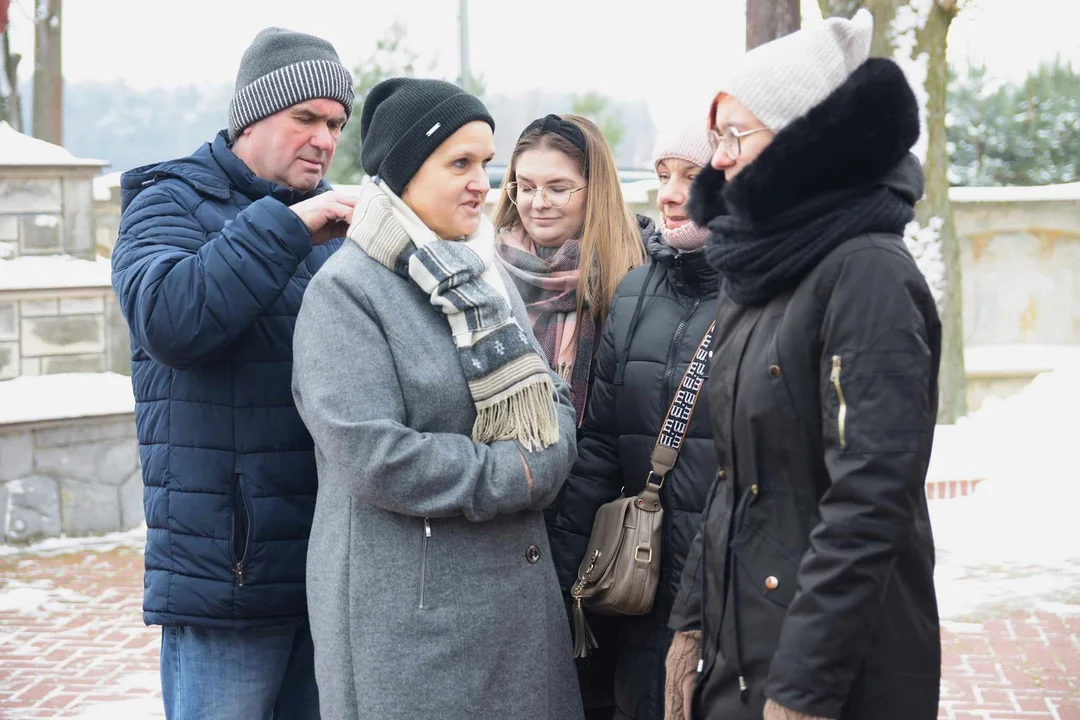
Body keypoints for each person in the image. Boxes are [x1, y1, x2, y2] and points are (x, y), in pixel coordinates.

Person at [669, 11, 942, 720]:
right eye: (715, 138)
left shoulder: (867, 274)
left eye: (737, 135)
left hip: (837, 676)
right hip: (744, 656)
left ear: (799, 138)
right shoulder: (760, 274)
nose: (718, 160)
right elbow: (737, 480)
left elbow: (870, 502)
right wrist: (691, 620)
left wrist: (803, 691)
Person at [290, 78, 584, 720]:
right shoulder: (346, 293)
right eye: (460, 163)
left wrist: (549, 446)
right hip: (415, 627)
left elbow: (547, 392)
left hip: (514, 611)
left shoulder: (478, 279)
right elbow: (374, 456)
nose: (483, 181)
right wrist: (518, 472)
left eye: (486, 162)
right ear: (403, 173)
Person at [110, 27, 354, 720]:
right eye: (304, 117)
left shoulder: (330, 224)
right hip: (228, 578)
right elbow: (171, 320)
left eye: (336, 123)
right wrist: (289, 226)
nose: (325, 139)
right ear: (250, 117)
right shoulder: (167, 200)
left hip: (324, 569)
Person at [545, 121, 720, 720]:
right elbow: (598, 443)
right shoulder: (637, 291)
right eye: (664, 174)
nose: (669, 193)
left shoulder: (771, 295)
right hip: (640, 590)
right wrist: (564, 580)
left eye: (691, 177)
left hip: (728, 596)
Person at [493, 114, 645, 426]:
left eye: (558, 189)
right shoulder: (486, 273)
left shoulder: (637, 277)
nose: (538, 203)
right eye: (525, 187)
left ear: (595, 191)